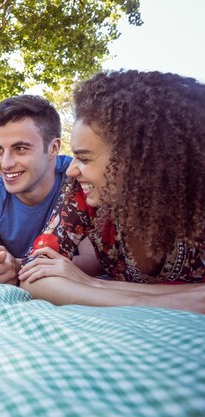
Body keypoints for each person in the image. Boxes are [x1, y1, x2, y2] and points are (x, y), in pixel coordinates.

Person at [18, 70, 205, 314]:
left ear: (138, 162)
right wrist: (156, 301)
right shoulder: (83, 195)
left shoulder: (197, 204)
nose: (72, 170)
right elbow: (34, 275)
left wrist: (88, 285)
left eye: (84, 158)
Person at [0, 95, 85, 285]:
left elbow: (95, 262)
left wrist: (18, 265)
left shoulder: (78, 179)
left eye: (20, 149)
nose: (5, 163)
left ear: (53, 148)